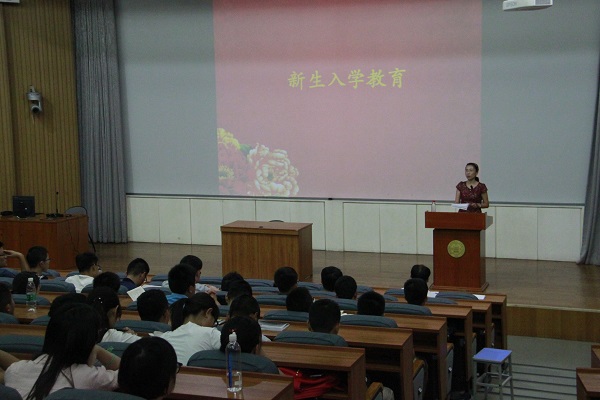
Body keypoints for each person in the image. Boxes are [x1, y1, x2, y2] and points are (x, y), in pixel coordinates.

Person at [4, 303, 120, 399]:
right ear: (88, 343)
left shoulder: (14, 370)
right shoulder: (89, 376)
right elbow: (125, 372)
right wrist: (97, 350)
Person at [160, 292, 221, 365]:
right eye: (214, 322)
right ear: (208, 313)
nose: (212, 326)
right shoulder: (211, 333)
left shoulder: (164, 337)